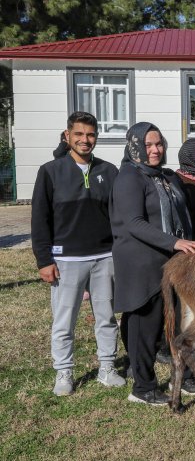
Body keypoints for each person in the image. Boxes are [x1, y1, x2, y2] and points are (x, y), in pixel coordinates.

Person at [31, 111, 125, 396]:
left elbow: (118, 215)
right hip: (66, 259)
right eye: (79, 134)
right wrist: (44, 260)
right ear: (67, 136)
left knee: (107, 316)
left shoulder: (109, 172)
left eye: (91, 135)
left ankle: (107, 367)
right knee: (64, 319)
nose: (85, 140)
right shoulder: (50, 171)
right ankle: (64, 371)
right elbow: (39, 219)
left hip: (104, 257)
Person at [111, 122, 195, 406]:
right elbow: (133, 222)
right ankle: (143, 388)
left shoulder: (165, 177)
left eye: (159, 143)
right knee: (144, 328)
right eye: (148, 145)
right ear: (135, 146)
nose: (155, 150)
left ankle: (182, 377)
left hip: (170, 267)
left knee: (174, 326)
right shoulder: (129, 177)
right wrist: (174, 242)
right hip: (142, 266)